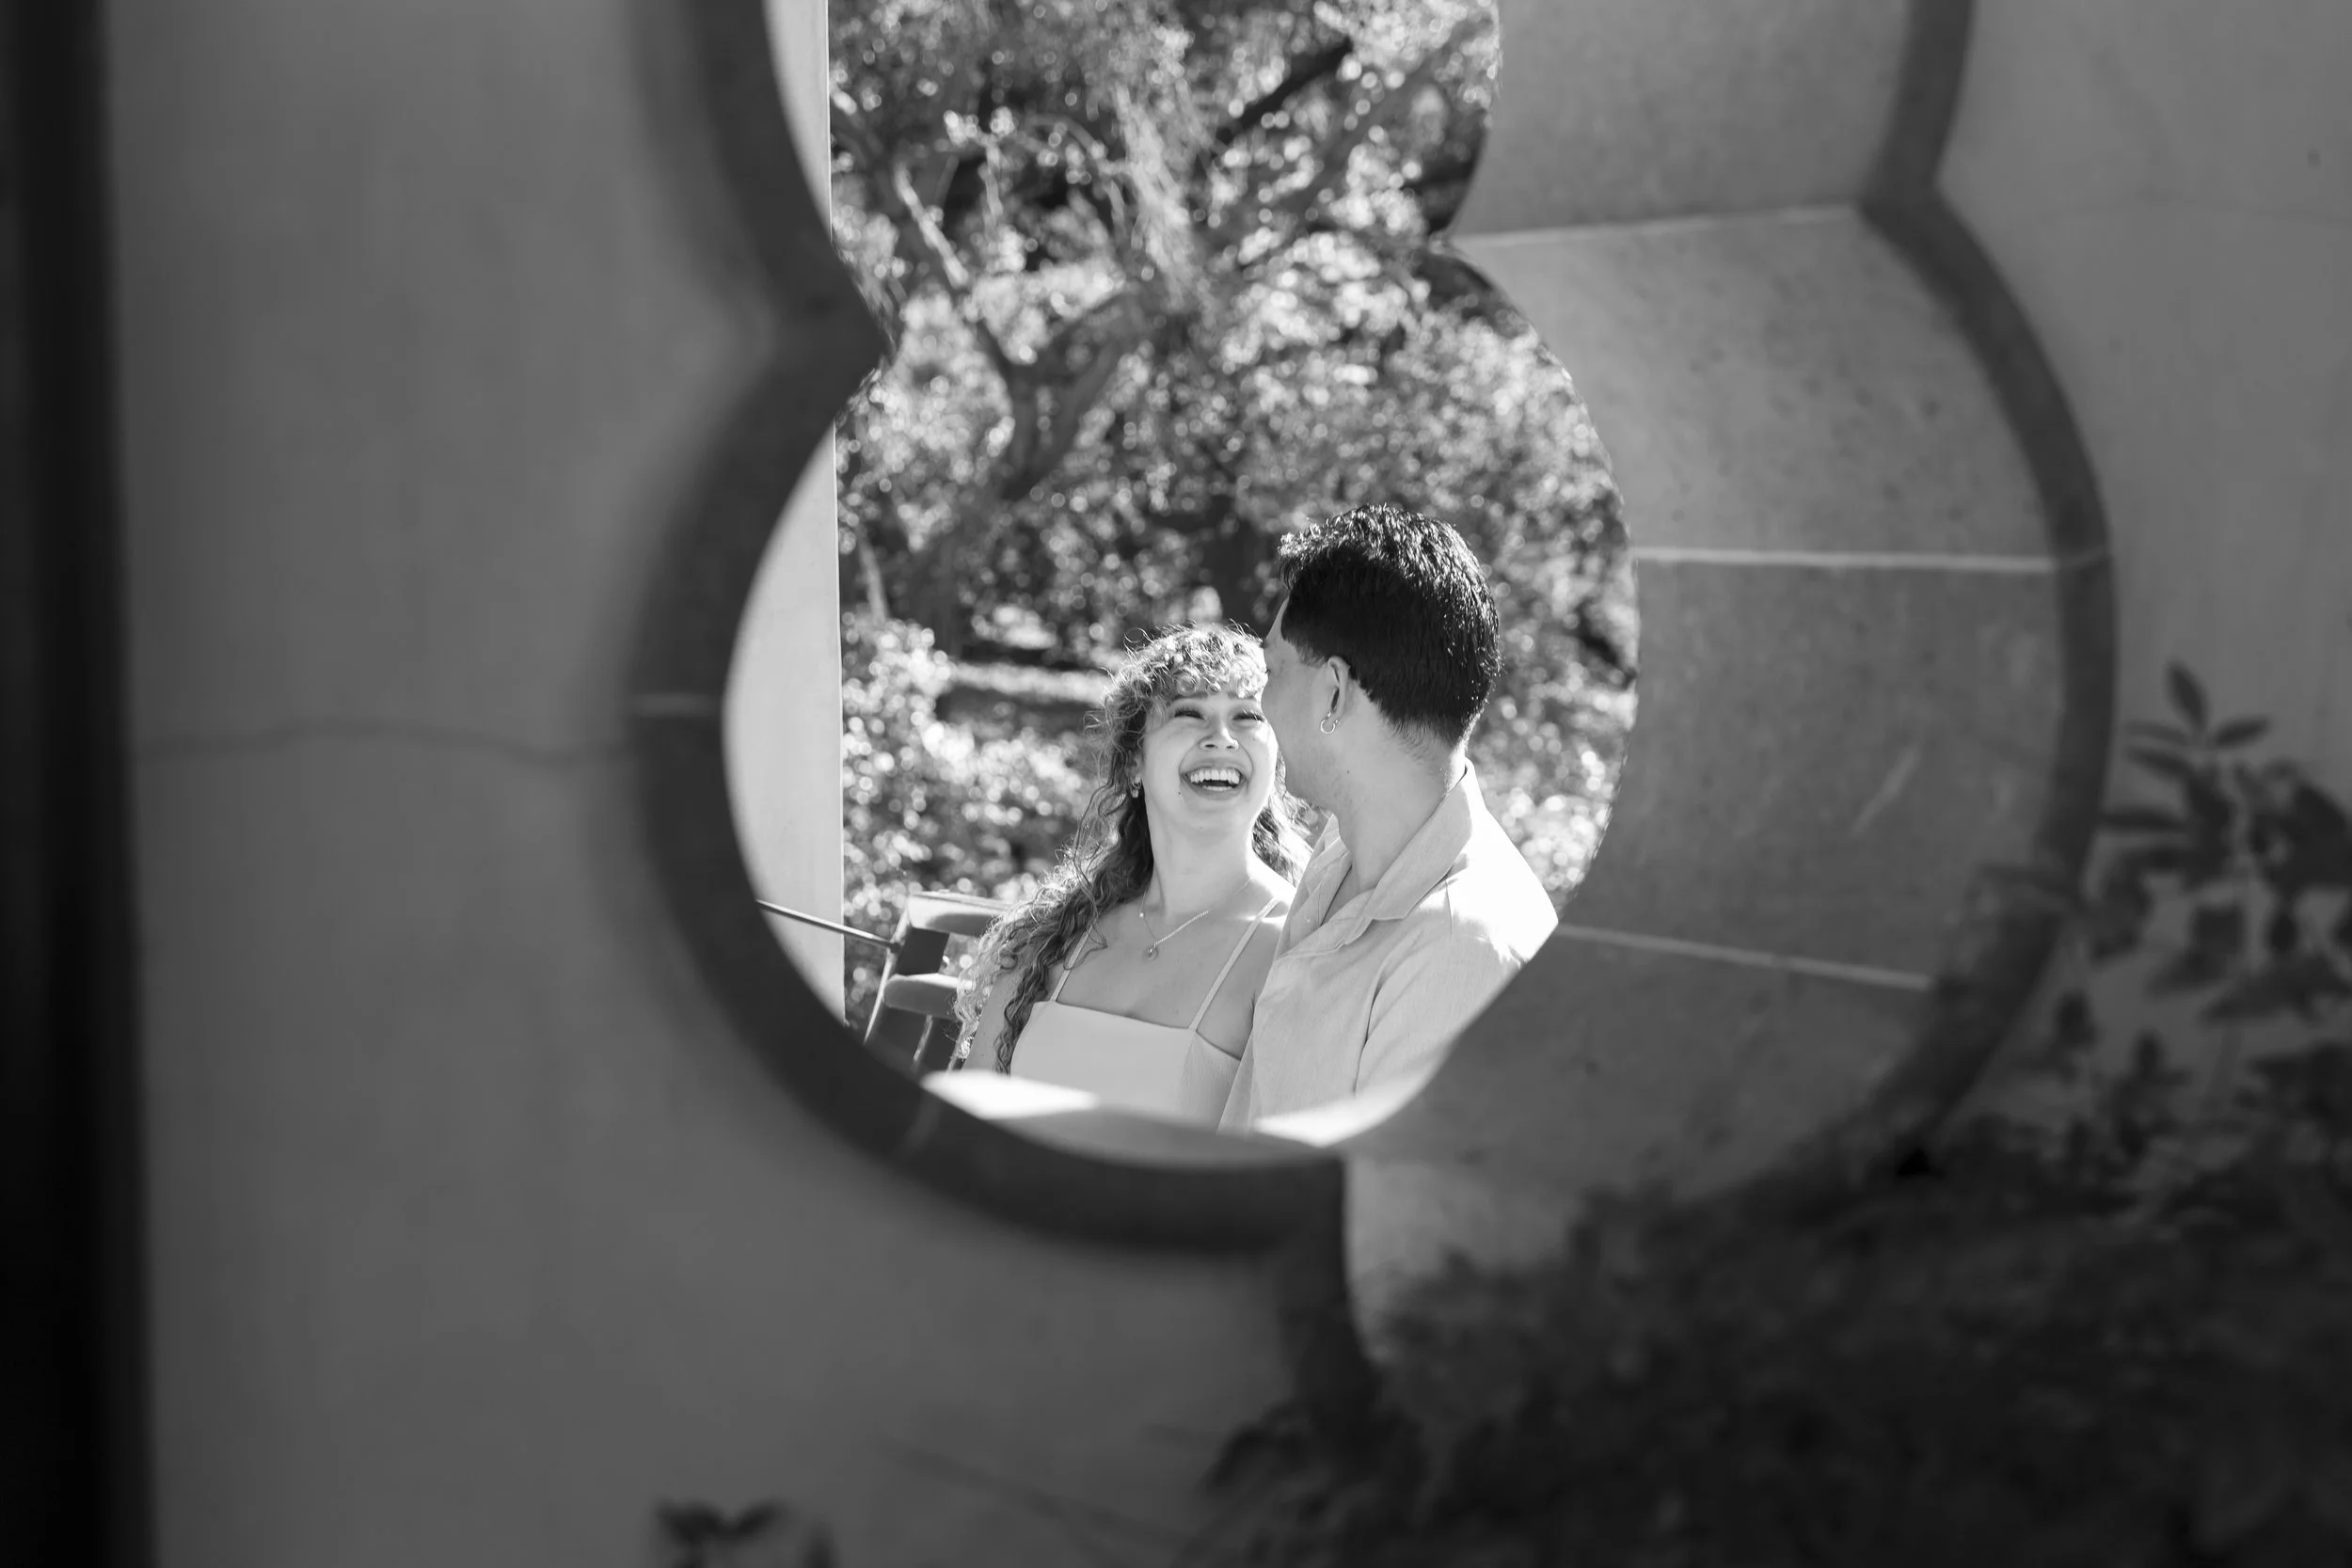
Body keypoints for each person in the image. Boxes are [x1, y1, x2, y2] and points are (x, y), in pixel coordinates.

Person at [1218, 502, 1558, 1131]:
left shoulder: (1463, 950)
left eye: (1272, 669)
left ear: (1335, 692)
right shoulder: (1341, 854)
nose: (1261, 701)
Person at [951, 625, 1309, 1123]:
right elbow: (963, 1129)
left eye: (1248, 716)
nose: (1221, 738)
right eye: (1190, 713)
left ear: (1277, 760)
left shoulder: (1294, 949)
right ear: (1135, 762)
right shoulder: (1056, 937)